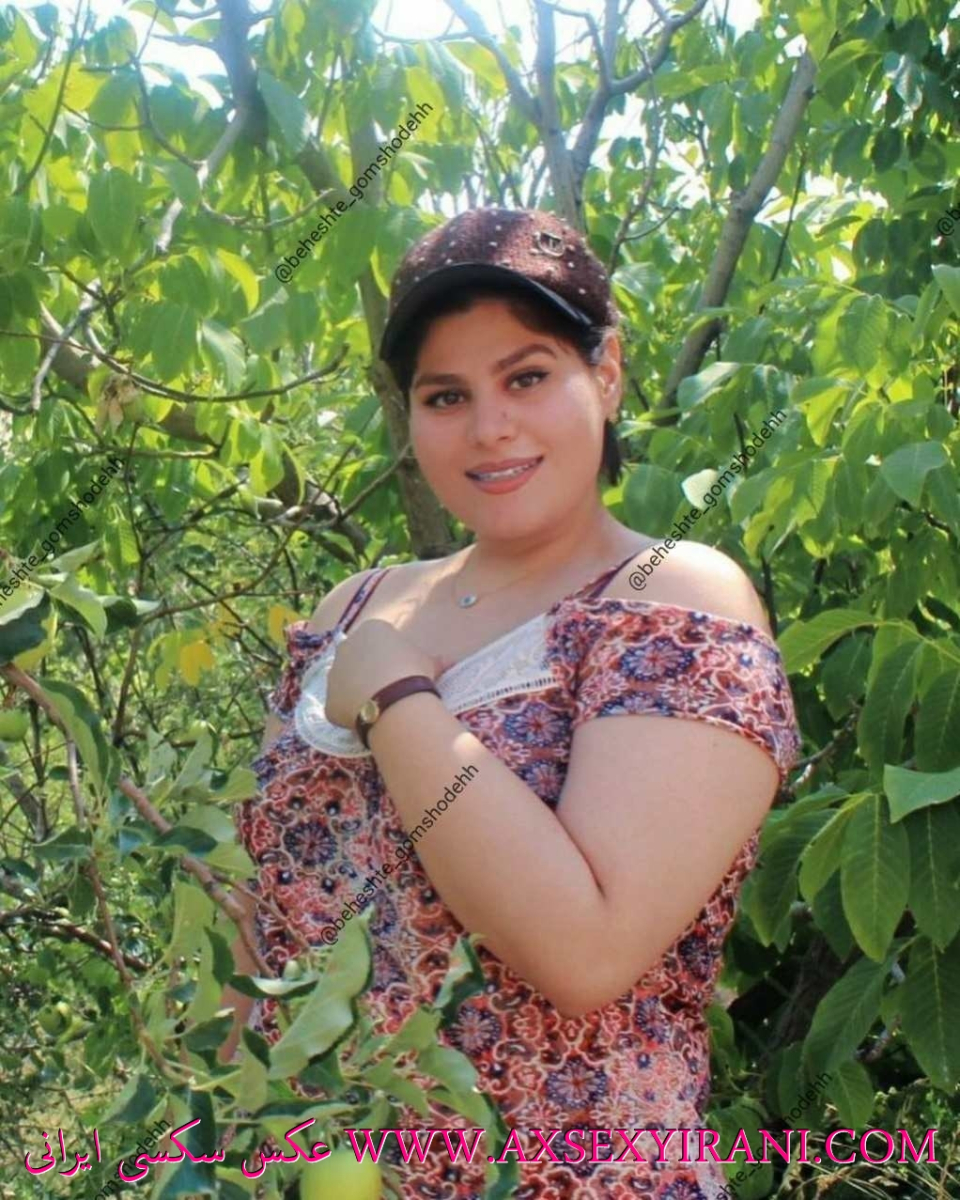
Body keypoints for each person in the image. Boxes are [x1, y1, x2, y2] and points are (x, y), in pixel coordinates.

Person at [218, 206, 802, 1199]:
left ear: (606, 372)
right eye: (446, 395)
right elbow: (254, 908)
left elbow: (584, 951)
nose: (489, 427)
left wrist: (398, 696)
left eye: (527, 376)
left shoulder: (670, 595)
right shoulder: (353, 605)